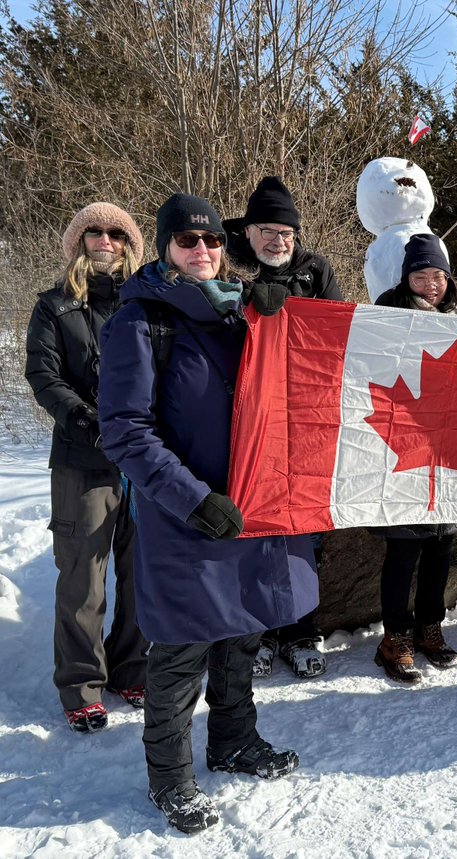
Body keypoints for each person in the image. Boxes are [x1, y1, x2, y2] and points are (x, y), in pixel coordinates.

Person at [98, 193, 318, 834]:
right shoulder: (139, 322)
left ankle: (233, 739)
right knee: (183, 645)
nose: (202, 251)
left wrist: (277, 310)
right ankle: (169, 777)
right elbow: (126, 431)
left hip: (249, 503)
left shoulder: (236, 312)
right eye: (188, 241)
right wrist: (193, 499)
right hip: (184, 514)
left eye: (213, 241)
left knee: (243, 626)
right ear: (165, 247)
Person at [24, 202, 148, 733]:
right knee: (83, 580)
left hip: (143, 461)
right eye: (93, 232)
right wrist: (85, 420)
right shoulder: (54, 305)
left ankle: (132, 668)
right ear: (78, 242)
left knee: (143, 574)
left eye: (115, 233)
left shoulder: (146, 303)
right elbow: (43, 373)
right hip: (83, 458)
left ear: (128, 244)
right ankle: (80, 686)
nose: (104, 240)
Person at [224, 175, 342, 679]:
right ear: (248, 234)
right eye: (268, 230)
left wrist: (295, 310)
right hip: (248, 424)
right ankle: (260, 635)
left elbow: (341, 335)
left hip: (306, 423)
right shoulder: (221, 268)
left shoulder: (318, 272)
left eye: (287, 232)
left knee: (302, 533)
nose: (278, 240)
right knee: (254, 530)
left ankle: (300, 630)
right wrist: (249, 303)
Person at [372, 235, 457, 683]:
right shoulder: (386, 318)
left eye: (438, 276)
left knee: (440, 548)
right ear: (406, 278)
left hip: (449, 452)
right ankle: (395, 636)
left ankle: (431, 627)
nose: (431, 285)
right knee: (405, 548)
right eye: (421, 275)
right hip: (404, 451)